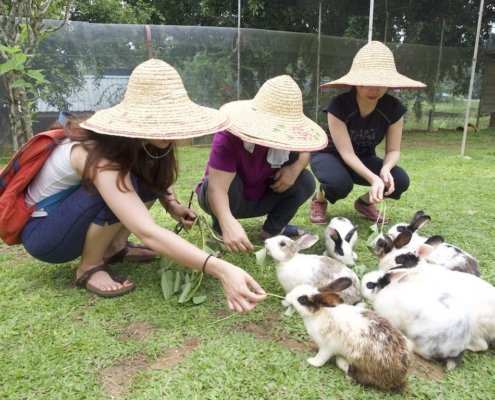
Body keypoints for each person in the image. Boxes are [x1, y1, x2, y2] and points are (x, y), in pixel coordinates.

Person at [20, 59, 266, 312]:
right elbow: (147, 231)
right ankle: (89, 267)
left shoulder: (139, 143)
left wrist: (171, 204)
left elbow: (155, 182)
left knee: (140, 181)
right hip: (46, 235)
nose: (170, 131)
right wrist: (221, 269)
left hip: (71, 219)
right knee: (116, 189)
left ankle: (115, 248)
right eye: (161, 121)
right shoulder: (99, 154)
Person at [196, 75, 327, 253]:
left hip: (263, 196)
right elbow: (216, 188)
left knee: (305, 180)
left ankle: (271, 232)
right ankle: (221, 227)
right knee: (227, 183)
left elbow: (305, 151)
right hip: (227, 198)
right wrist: (227, 221)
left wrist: (294, 169)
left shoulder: (288, 137)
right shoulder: (228, 136)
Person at [309, 41, 426, 225]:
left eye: (380, 83)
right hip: (330, 155)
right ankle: (319, 199)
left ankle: (364, 203)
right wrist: (373, 178)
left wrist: (385, 170)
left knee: (399, 180)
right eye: (367, 82)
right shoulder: (338, 106)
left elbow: (393, 151)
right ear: (355, 82)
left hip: (364, 157)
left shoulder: (394, 109)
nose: (374, 89)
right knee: (340, 185)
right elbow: (346, 153)